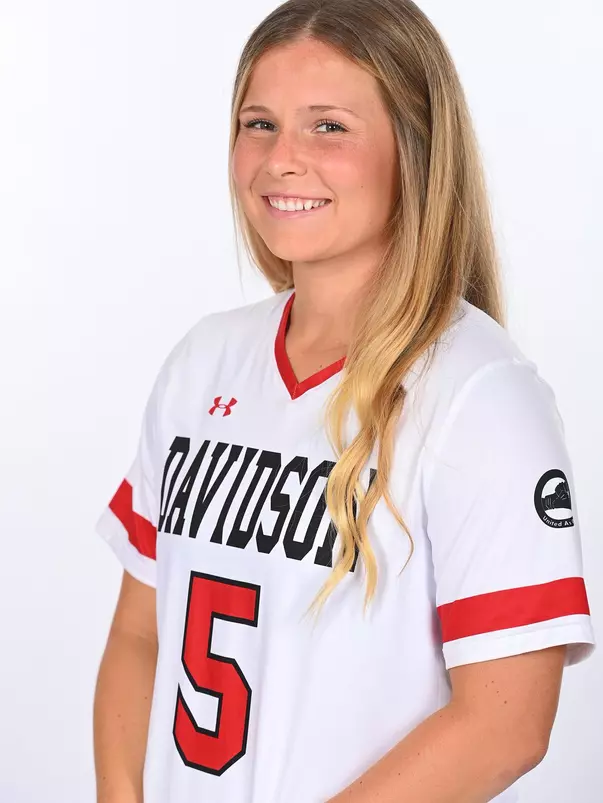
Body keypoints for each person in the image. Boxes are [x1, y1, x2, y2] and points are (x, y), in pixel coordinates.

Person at [92, 1, 596, 801]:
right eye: (258, 123)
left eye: (327, 127)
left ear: (416, 152)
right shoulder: (204, 361)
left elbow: (505, 726)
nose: (280, 159)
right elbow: (137, 633)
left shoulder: (480, 396)